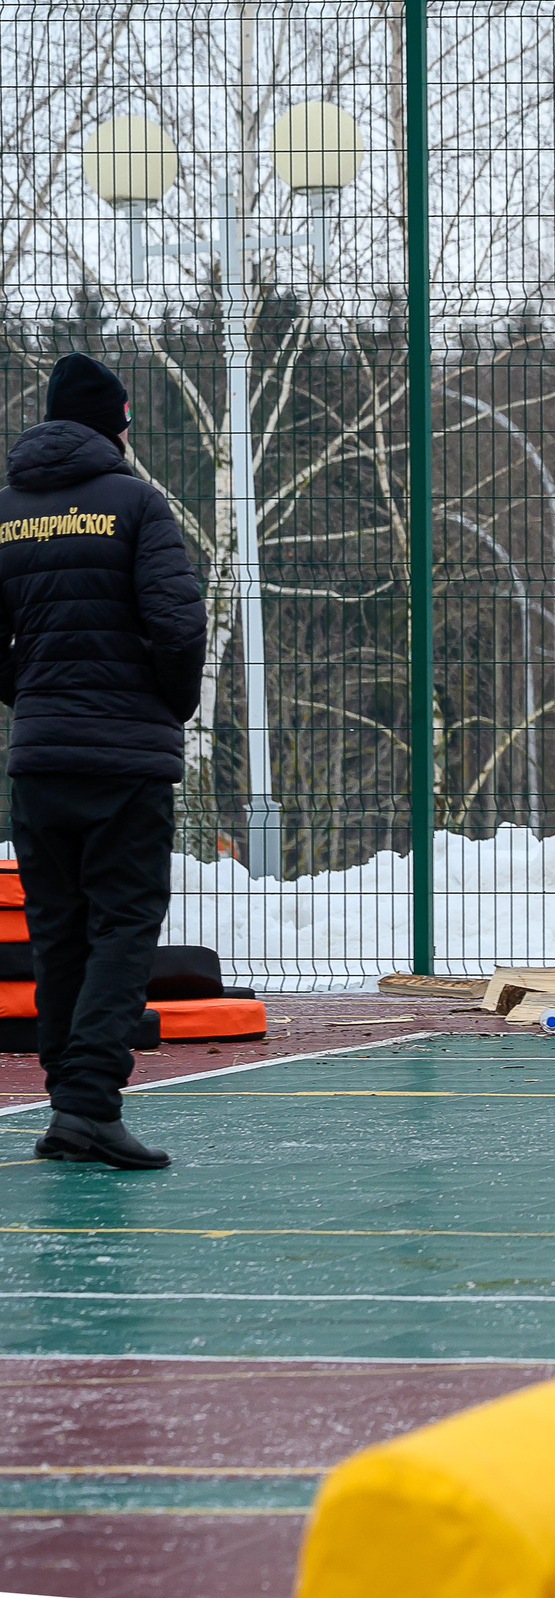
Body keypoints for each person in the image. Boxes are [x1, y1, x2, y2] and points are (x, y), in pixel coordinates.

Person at [1, 354, 207, 1170]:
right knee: (123, 927)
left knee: (59, 935)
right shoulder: (137, 505)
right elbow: (181, 628)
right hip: (125, 762)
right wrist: (167, 705)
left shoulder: (7, 513)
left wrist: (38, 697)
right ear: (111, 422)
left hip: (41, 759)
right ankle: (89, 1107)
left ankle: (67, 1107)